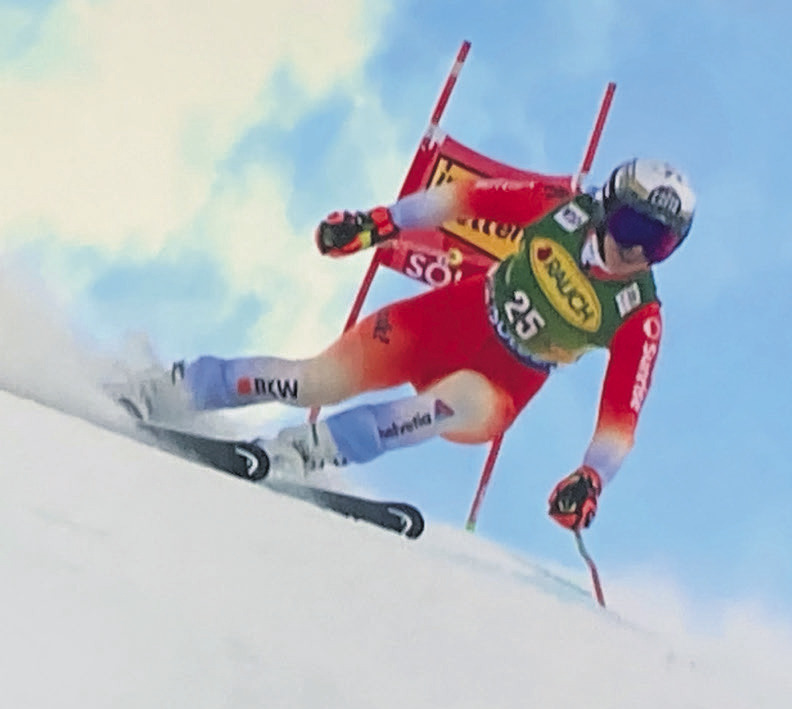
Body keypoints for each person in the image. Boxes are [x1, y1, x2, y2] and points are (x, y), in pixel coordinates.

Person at [117, 158, 696, 532]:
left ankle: (307, 451)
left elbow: (622, 417)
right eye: (633, 230)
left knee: (452, 407)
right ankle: (170, 387)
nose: (637, 253)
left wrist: (590, 478)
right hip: (451, 318)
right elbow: (461, 200)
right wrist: (377, 224)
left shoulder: (638, 313)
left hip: (505, 379)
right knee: (315, 381)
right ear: (607, 209)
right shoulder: (560, 208)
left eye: (660, 245)